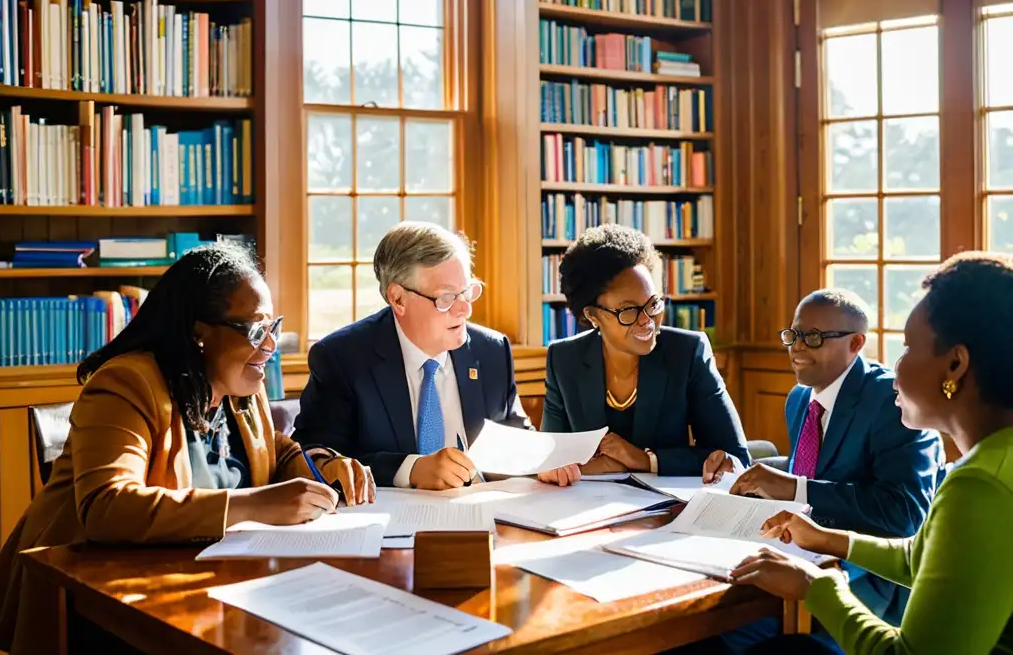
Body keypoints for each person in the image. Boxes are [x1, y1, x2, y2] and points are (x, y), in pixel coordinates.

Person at [0, 242, 375, 655]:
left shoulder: (240, 387)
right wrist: (250, 506)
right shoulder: (126, 383)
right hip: (100, 603)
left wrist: (321, 465)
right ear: (200, 335)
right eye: (256, 330)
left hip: (208, 585)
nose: (271, 346)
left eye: (273, 327)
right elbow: (106, 506)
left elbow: (273, 453)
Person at [729, 252, 1013, 655]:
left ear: (955, 364)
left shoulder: (980, 486)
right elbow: (917, 557)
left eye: (909, 347)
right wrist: (829, 540)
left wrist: (816, 587)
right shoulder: (995, 459)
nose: (894, 368)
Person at [703, 289, 944, 651]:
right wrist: (744, 472)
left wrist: (796, 488)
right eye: (793, 335)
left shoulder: (893, 402)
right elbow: (814, 469)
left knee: (723, 631)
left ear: (856, 343)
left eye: (813, 338)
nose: (797, 348)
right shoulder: (800, 397)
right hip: (797, 551)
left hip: (871, 585)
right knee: (709, 625)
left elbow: (903, 513)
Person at [293, 222, 579, 490]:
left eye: (467, 292)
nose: (464, 310)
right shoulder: (342, 358)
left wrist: (541, 460)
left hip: (486, 518)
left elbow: (515, 433)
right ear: (398, 299)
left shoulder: (490, 350)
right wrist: (410, 469)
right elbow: (315, 460)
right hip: (386, 528)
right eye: (446, 298)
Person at [541, 224, 749, 475]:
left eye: (653, 304)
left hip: (669, 508)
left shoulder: (687, 353)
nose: (647, 320)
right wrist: (577, 468)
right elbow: (551, 457)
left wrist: (644, 460)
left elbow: (734, 459)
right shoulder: (564, 360)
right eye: (628, 310)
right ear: (592, 315)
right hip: (587, 507)